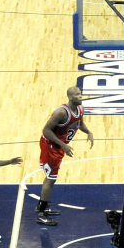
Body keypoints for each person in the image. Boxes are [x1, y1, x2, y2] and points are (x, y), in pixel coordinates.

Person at [36, 87, 93, 226]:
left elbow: (79, 123)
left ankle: (43, 205)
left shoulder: (80, 109)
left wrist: (89, 132)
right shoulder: (61, 112)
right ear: (70, 98)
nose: (80, 96)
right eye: (77, 95)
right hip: (51, 145)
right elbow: (46, 130)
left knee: (51, 178)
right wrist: (63, 145)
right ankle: (41, 213)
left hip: (59, 145)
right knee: (51, 179)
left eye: (80, 94)